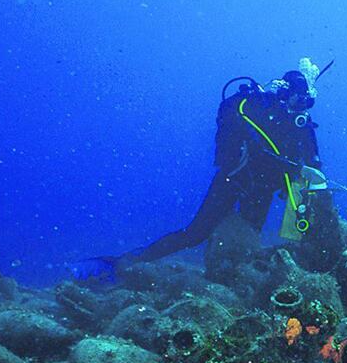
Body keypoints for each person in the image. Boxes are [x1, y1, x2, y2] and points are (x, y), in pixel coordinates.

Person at [78, 63, 332, 278]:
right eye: (297, 100)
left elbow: (314, 165)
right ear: (285, 92)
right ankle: (126, 262)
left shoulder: (302, 125)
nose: (301, 107)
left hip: (262, 190)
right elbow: (231, 113)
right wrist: (248, 144)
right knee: (195, 234)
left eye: (306, 102)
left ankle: (231, 282)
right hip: (233, 178)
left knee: (248, 240)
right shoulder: (257, 105)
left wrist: (308, 180)